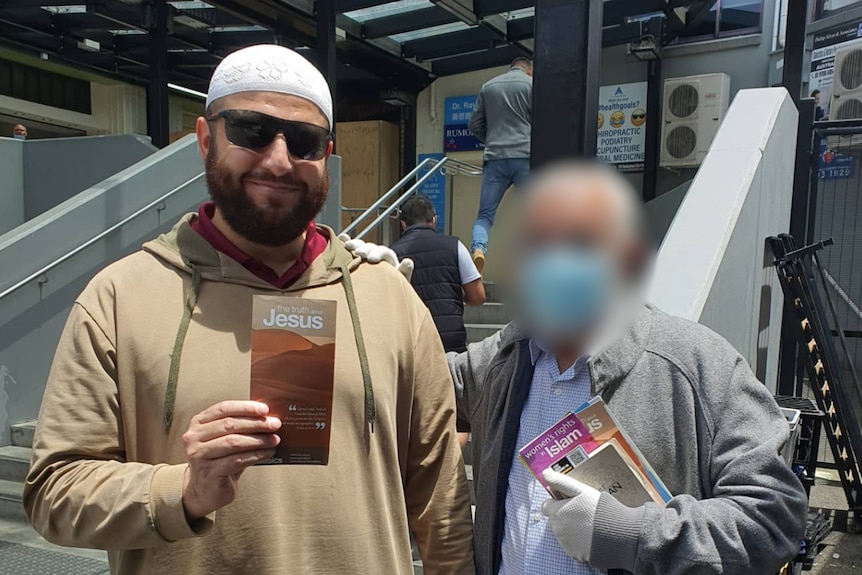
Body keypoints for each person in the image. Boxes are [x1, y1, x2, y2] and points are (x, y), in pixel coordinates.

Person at [24, 44, 474, 575]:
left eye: (303, 141)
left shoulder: (389, 297)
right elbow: (55, 493)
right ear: (204, 138)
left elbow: (440, 498)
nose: (279, 160)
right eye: (250, 130)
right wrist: (181, 491)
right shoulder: (119, 298)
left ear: (326, 155)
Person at [444, 160, 808, 574]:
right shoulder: (506, 356)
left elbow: (772, 517)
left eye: (579, 242)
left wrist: (627, 534)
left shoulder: (697, 365)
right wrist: (379, 293)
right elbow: (421, 381)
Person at [391, 195, 485, 354]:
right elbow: (478, 296)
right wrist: (455, 294)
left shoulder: (393, 253)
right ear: (434, 220)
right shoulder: (455, 246)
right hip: (450, 341)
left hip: (413, 341)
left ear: (403, 224)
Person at [467, 57, 533, 273]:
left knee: (485, 215)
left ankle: (478, 250)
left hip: (495, 157)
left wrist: (491, 139)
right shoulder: (532, 85)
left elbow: (474, 124)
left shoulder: (489, 86)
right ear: (528, 70)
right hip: (525, 155)